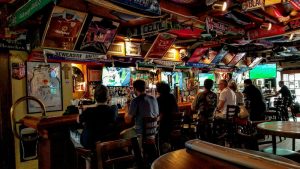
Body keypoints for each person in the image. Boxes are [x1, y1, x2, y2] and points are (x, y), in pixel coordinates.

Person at [70, 85, 119, 149]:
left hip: (90, 144)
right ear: (108, 97)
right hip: (107, 142)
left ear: (95, 97)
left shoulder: (89, 111)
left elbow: (78, 120)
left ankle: (80, 157)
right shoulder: (114, 109)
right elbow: (109, 107)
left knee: (70, 130)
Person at [156, 82, 179, 152]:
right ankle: (168, 146)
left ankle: (162, 149)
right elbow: (176, 110)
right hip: (174, 124)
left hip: (164, 126)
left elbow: (158, 113)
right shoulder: (172, 96)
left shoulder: (159, 99)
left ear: (159, 90)